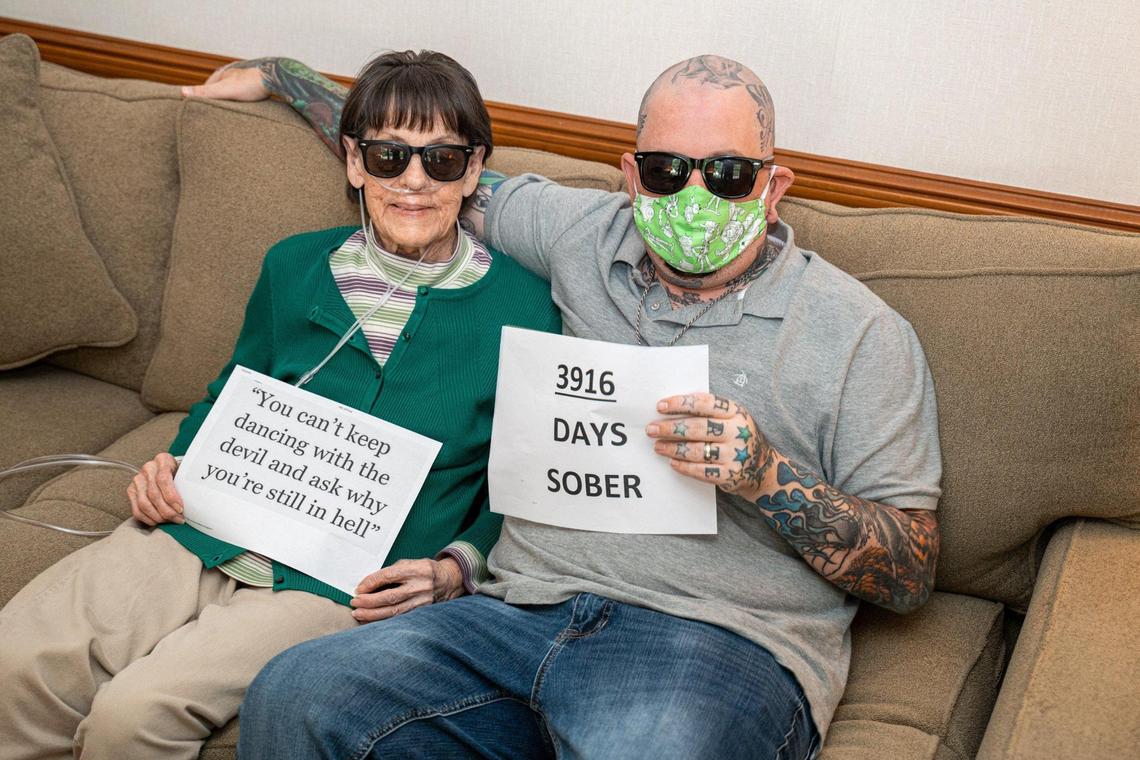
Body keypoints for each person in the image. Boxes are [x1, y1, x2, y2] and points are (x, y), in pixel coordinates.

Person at [190, 53, 942, 759]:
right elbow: (420, 169)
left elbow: (909, 577)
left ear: (773, 187)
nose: (693, 194)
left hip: (713, 641)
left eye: (729, 175)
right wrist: (283, 76)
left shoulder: (861, 334)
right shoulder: (576, 233)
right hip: (510, 610)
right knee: (295, 692)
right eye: (666, 169)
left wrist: (764, 474)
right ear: (630, 174)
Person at [0, 51, 560, 760]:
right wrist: (171, 465)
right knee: (16, 660)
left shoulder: (526, 308)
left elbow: (527, 483)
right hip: (204, 524)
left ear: (474, 169)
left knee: (134, 715)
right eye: (389, 157)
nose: (413, 182)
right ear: (354, 162)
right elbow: (232, 392)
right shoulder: (293, 266)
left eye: (441, 161)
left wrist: (459, 565)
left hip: (342, 579)